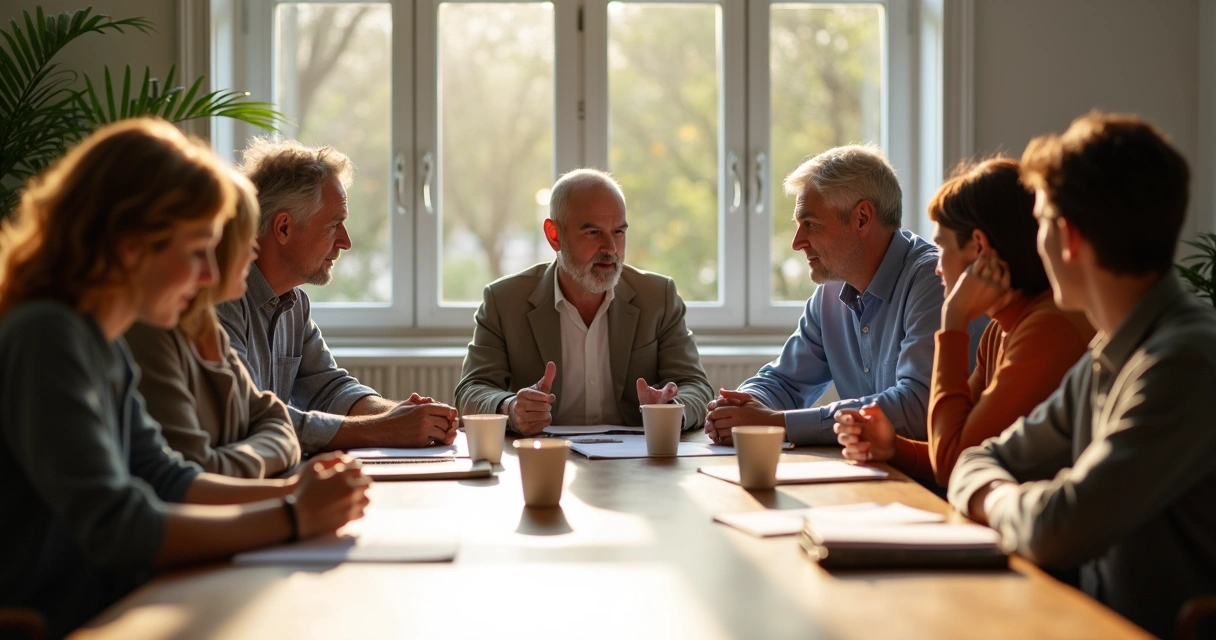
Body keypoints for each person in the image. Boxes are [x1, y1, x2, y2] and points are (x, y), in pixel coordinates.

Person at [0, 119, 369, 638]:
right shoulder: (47, 336)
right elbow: (118, 526)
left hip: (123, 599)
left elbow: (168, 479)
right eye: (197, 250)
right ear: (133, 243)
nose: (206, 276)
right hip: (66, 619)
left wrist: (298, 493)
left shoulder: (97, 339)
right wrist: (291, 514)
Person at [947, 112, 1216, 639]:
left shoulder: (1182, 362)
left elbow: (1060, 528)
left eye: (1041, 220)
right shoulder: (1107, 353)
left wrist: (995, 499)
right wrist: (1002, 490)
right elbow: (978, 457)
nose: (1035, 240)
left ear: (1067, 236)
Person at [832, 159, 1094, 488]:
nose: (938, 267)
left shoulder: (1049, 329)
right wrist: (890, 446)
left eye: (942, 246)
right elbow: (955, 447)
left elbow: (952, 463)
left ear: (979, 249)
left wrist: (953, 320)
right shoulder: (1002, 328)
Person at [217, 138, 457, 454]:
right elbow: (249, 417)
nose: (345, 242)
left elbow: (330, 388)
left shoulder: (294, 303)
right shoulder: (220, 299)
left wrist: (403, 414)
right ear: (284, 228)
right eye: (334, 225)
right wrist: (384, 429)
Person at [705, 145, 943, 446]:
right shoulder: (831, 292)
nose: (797, 242)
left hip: (930, 486)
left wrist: (777, 423)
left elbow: (917, 407)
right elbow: (785, 381)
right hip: (870, 473)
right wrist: (741, 405)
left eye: (811, 224)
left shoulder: (933, 280)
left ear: (862, 219)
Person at [455, 169, 713, 435]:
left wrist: (671, 407)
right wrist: (510, 408)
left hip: (636, 461)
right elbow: (472, 390)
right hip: (546, 457)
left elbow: (696, 386)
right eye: (593, 232)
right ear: (554, 235)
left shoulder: (658, 296)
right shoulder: (504, 301)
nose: (611, 248)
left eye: (619, 231)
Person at [126, 171, 302, 478]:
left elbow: (276, 420)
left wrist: (235, 458)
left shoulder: (206, 325)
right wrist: (273, 472)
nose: (255, 251)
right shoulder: (152, 333)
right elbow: (194, 475)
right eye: (246, 238)